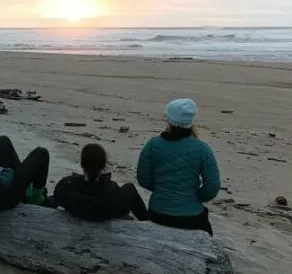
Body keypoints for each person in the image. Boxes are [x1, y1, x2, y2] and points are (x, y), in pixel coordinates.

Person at [136, 98, 220, 236]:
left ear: (168, 119)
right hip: (191, 216)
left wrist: (161, 190)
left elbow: (142, 178)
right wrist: (195, 197)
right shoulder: (202, 149)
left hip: (157, 212)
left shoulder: (153, 145)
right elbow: (212, 186)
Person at [53, 144, 148, 221]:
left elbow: (55, 199)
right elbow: (121, 205)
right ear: (103, 166)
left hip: (79, 210)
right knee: (129, 188)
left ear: (82, 164)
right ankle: (147, 222)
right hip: (105, 211)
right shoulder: (112, 191)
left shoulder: (66, 186)